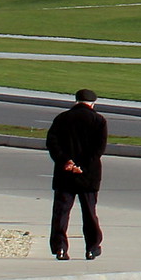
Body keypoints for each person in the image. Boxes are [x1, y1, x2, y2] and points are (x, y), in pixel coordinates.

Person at [46, 88, 108, 261]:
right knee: (89, 212)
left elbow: (52, 142)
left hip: (64, 173)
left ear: (76, 101)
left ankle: (60, 248)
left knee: (61, 212)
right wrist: (81, 165)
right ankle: (92, 248)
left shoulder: (62, 118)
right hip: (88, 174)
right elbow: (98, 149)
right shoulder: (99, 120)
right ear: (93, 103)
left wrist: (67, 162)